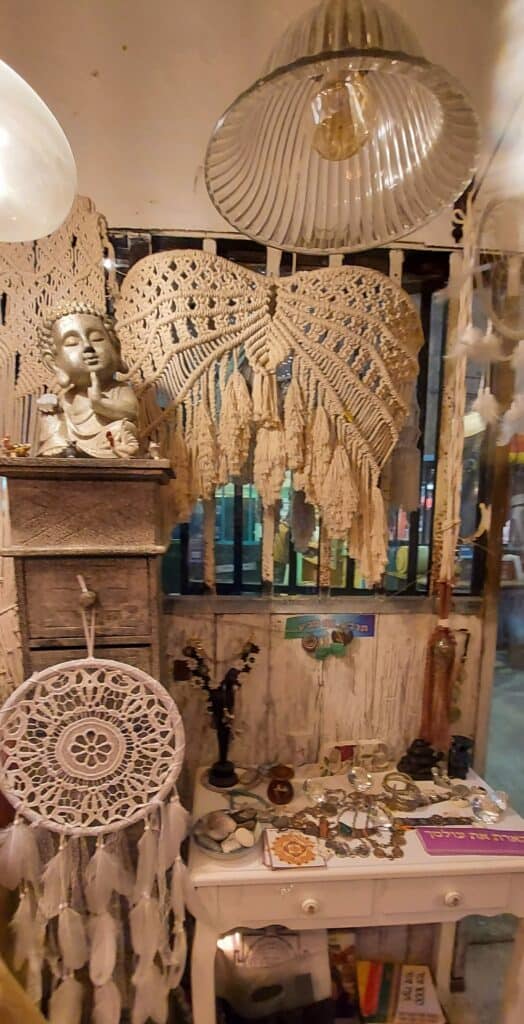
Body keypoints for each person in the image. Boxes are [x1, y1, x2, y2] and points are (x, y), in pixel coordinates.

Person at [36, 302, 139, 458]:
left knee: (122, 428)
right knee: (50, 418)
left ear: (115, 349)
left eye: (97, 339)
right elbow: (56, 413)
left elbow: (132, 412)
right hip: (69, 442)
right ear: (53, 362)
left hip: (106, 440)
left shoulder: (119, 389)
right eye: (72, 343)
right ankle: (59, 446)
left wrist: (100, 403)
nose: (87, 346)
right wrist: (49, 405)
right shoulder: (67, 397)